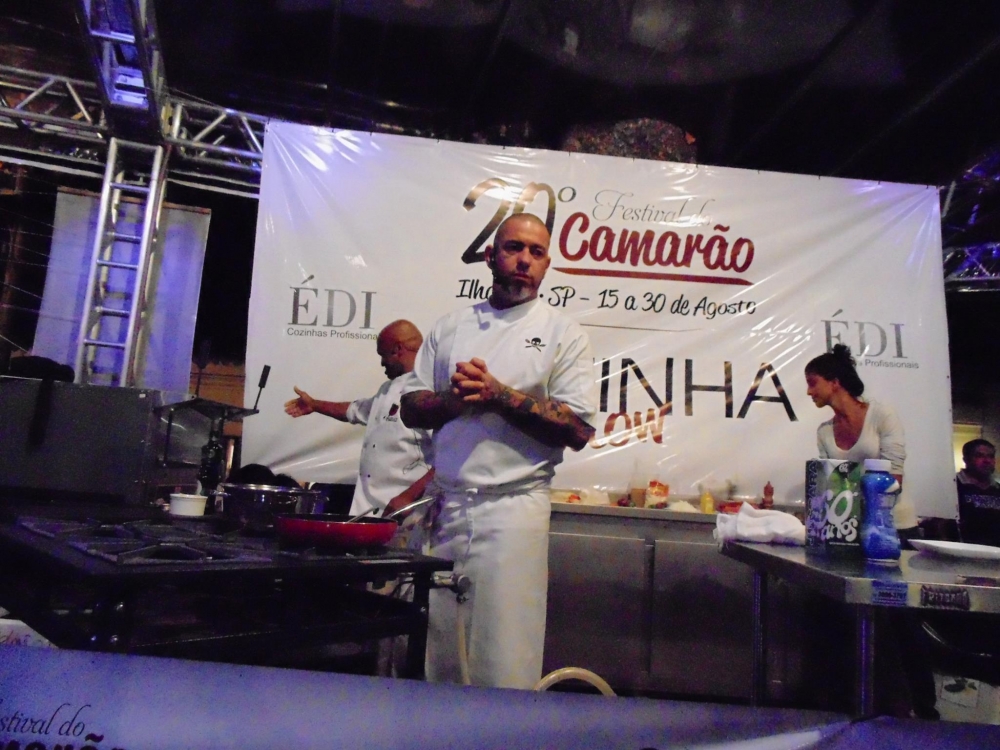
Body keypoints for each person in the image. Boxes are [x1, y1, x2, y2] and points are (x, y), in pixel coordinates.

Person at [399, 213, 597, 689]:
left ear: (546, 264)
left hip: (514, 513)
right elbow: (409, 407)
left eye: (536, 252)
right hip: (448, 510)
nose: (524, 260)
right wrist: (456, 400)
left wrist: (498, 395)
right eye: (514, 248)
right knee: (439, 654)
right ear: (490, 256)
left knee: (504, 655)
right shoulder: (451, 327)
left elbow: (576, 429)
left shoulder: (563, 332)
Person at [284, 320, 434, 518]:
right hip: (371, 511)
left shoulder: (428, 391)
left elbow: (447, 460)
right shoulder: (387, 390)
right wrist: (314, 404)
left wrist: (408, 497)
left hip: (409, 514)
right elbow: (354, 410)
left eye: (383, 355)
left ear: (398, 349)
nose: (382, 363)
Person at [804, 343, 918, 536]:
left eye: (812, 383)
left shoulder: (882, 415)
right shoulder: (824, 432)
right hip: (852, 529)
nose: (808, 392)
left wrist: (846, 494)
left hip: (895, 528)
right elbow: (830, 487)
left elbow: (894, 481)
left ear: (834, 382)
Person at [956, 439, 1000, 545]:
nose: (987, 460)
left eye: (991, 456)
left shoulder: (997, 489)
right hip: (962, 550)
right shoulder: (953, 486)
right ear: (966, 459)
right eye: (979, 456)